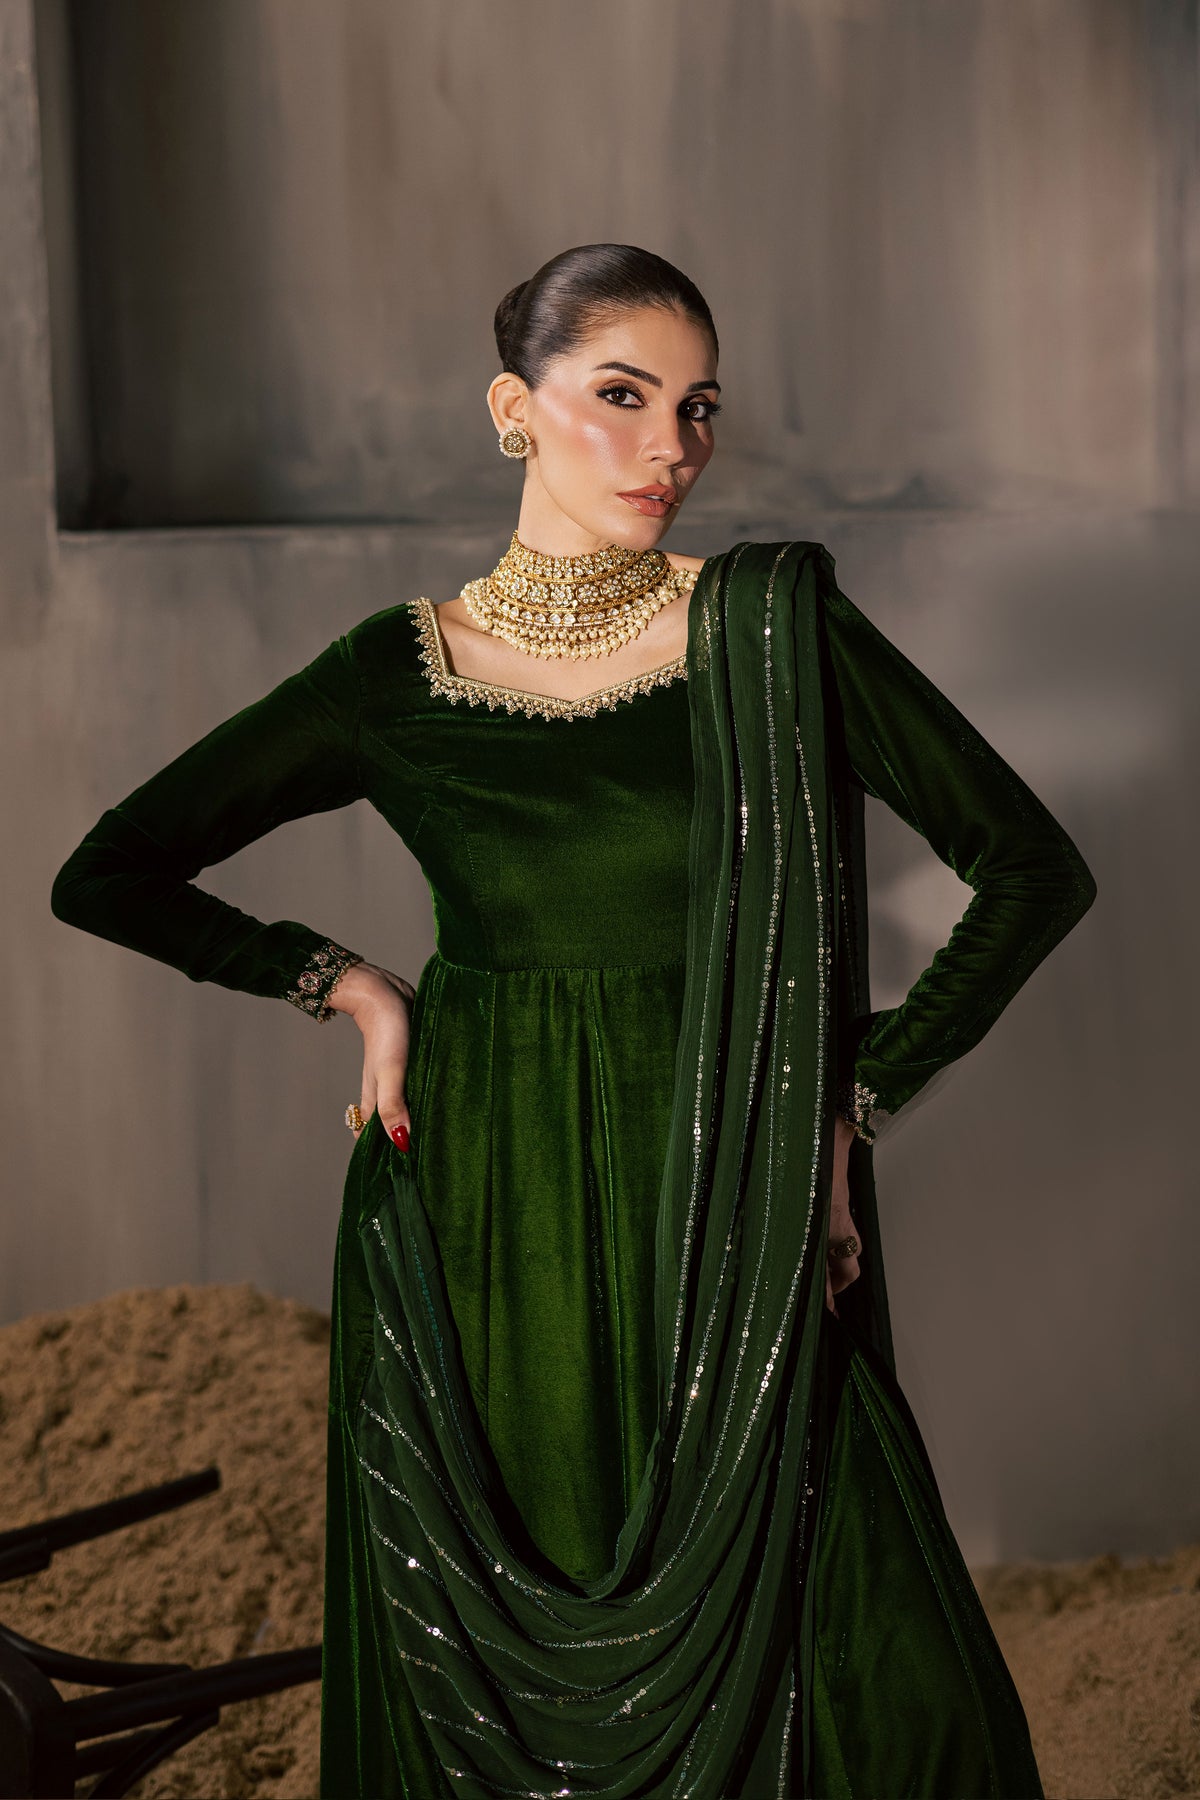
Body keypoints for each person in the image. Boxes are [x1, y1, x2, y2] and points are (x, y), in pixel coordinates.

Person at [51, 242, 1096, 1799]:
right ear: (512, 411)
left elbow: (1032, 868)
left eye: (699, 407)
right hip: (485, 1220)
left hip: (733, 1201)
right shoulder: (392, 677)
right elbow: (110, 870)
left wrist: (849, 1106)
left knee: (888, 1682)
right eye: (624, 396)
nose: (672, 446)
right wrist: (345, 984)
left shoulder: (774, 634)